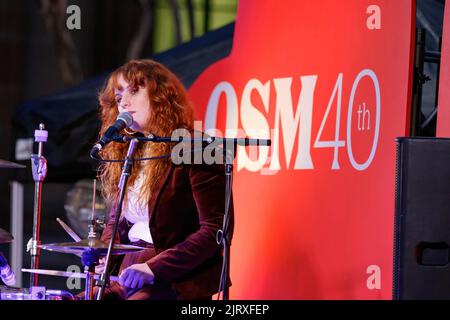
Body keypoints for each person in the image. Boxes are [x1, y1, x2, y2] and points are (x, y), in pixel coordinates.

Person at [84, 59, 233, 300]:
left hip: (175, 278)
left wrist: (154, 268)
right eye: (119, 95)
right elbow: (117, 221)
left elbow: (214, 231)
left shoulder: (199, 146)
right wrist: (103, 253)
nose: (123, 101)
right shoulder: (131, 149)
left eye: (134, 90)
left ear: (160, 95)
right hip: (128, 271)